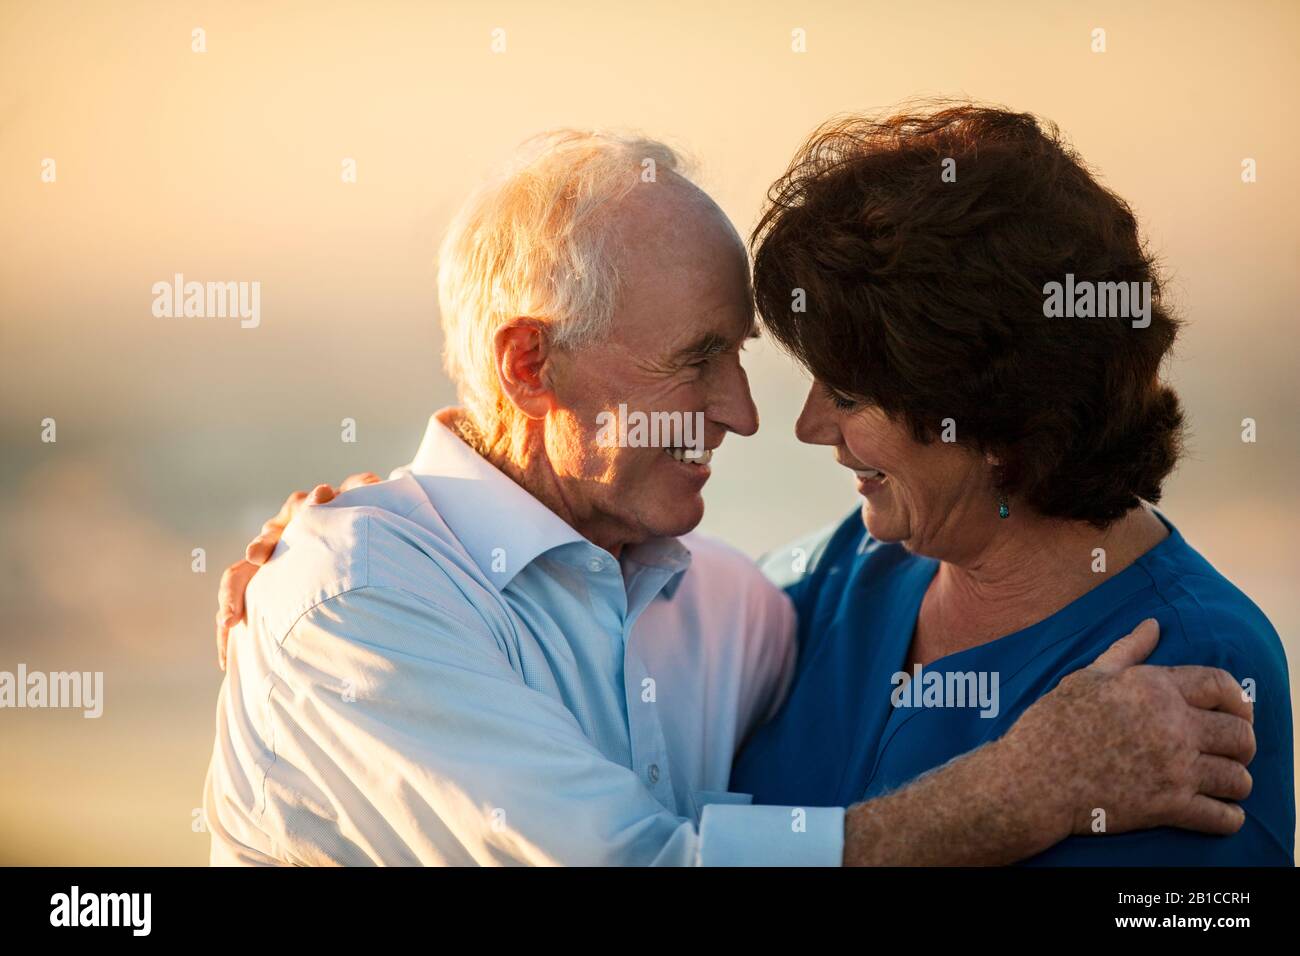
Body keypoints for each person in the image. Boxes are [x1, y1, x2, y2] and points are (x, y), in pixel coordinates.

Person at [205, 126, 1258, 867]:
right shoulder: (352, 597)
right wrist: (1018, 788)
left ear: (985, 409)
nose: (753, 413)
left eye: (752, 357)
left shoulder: (743, 604)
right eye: (697, 358)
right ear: (529, 364)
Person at [728, 104, 1293, 864]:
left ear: (994, 425)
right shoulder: (843, 575)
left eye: (850, 397)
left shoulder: (1184, 669)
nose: (809, 426)